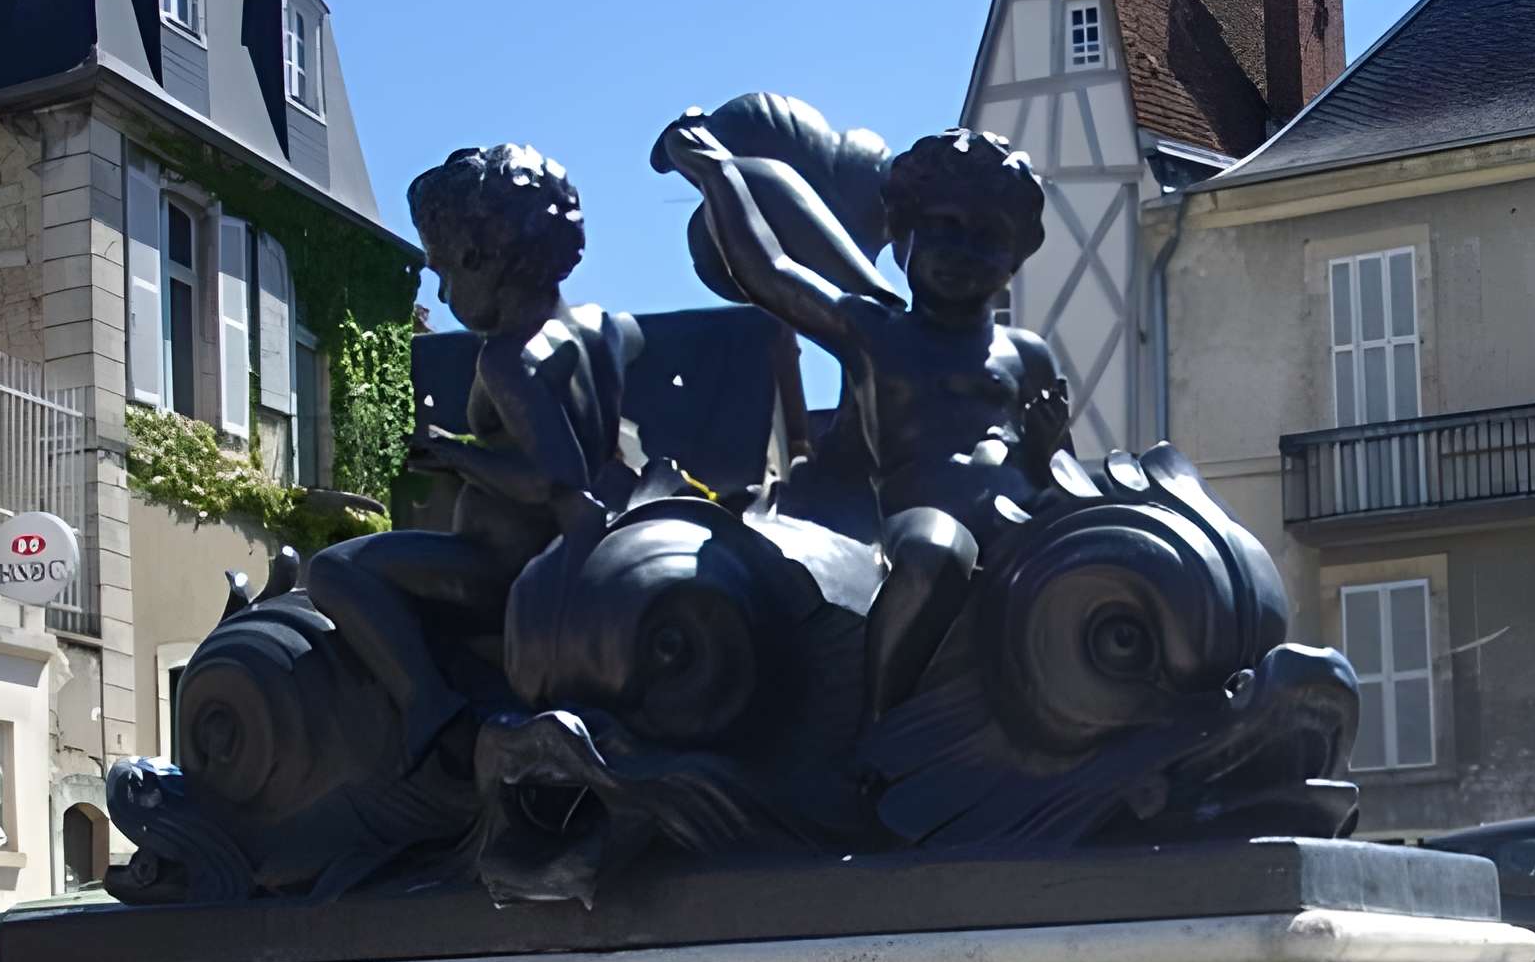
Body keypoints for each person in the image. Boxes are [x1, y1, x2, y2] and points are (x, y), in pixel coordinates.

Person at [655, 116, 1070, 716]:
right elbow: (770, 272)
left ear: (1016, 255)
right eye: (943, 228)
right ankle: (883, 721)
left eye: (986, 236)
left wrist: (1044, 446)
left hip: (1022, 527)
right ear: (903, 236)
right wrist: (714, 171)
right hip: (920, 523)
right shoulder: (877, 333)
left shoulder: (1027, 353)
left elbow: (1058, 470)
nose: (962, 251)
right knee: (937, 552)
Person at [302, 145, 636, 771]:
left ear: (480, 259)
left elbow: (555, 479)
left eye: (443, 271)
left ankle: (436, 711)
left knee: (334, 572)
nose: (442, 287)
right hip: (556, 560)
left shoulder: (509, 359)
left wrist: (455, 453)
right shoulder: (601, 328)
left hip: (501, 565)